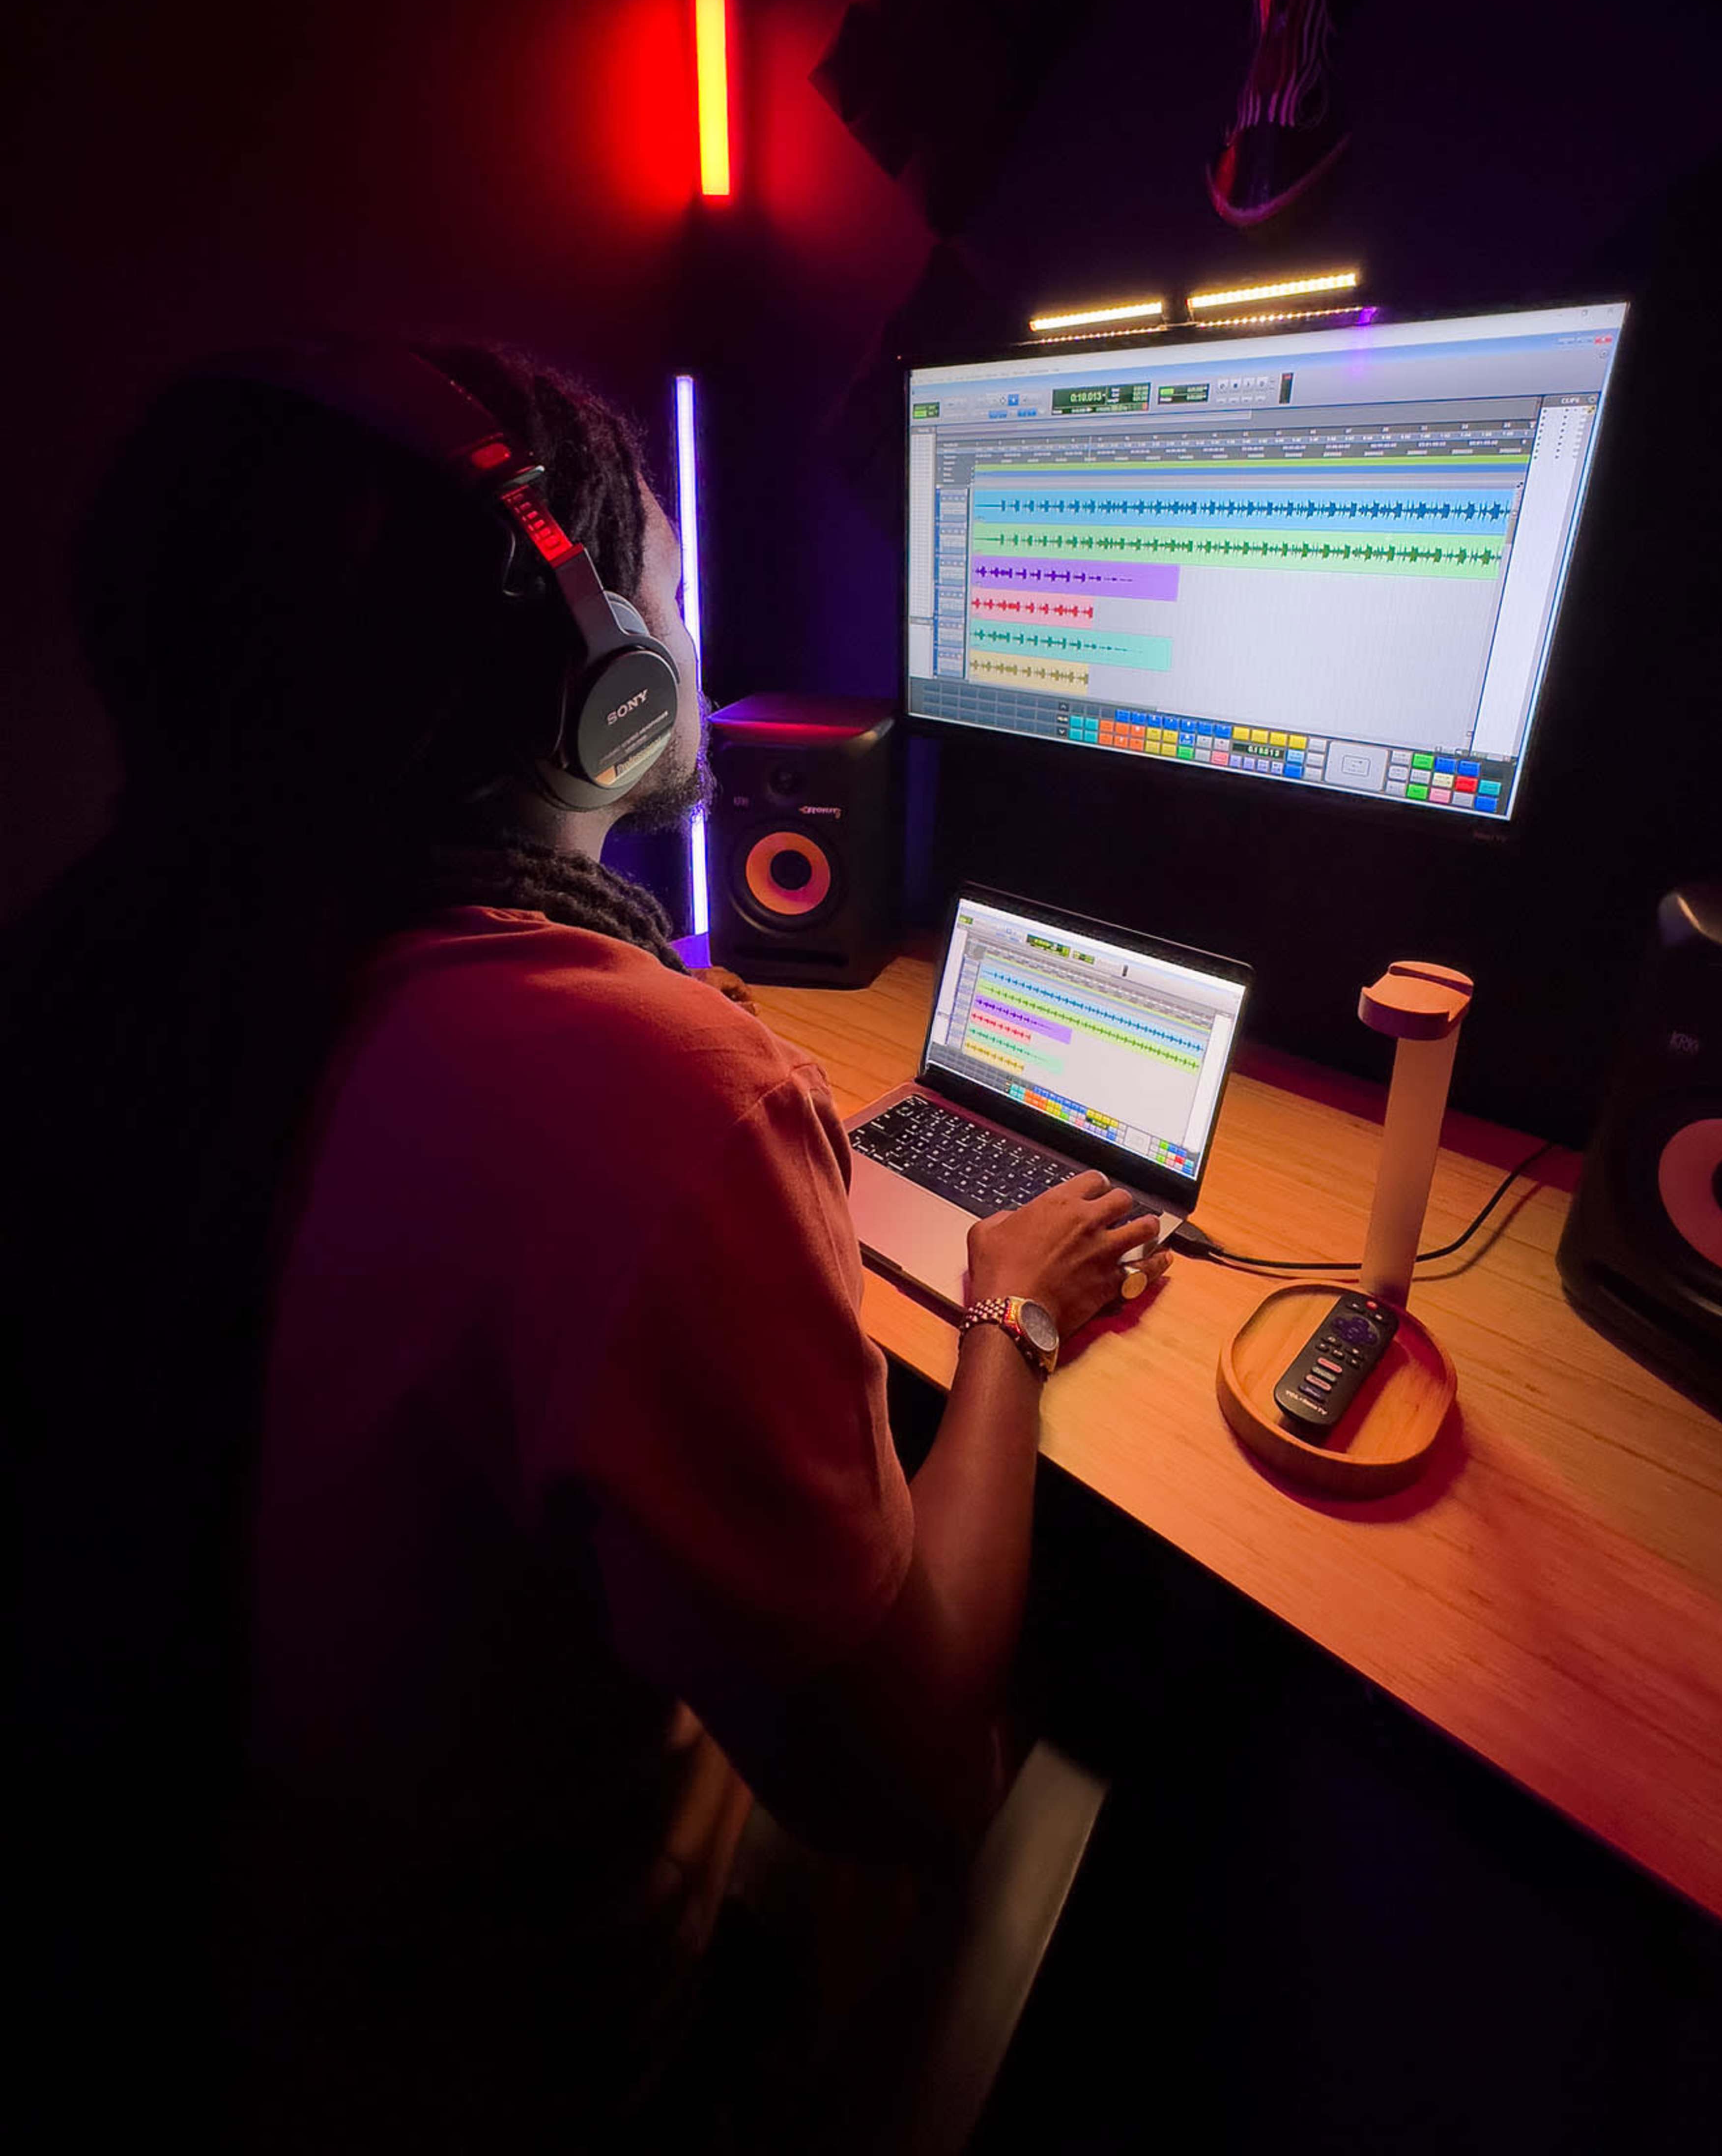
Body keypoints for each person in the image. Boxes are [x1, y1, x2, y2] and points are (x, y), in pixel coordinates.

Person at [9, 341, 1164, 2149]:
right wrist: (1005, 1312)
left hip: (179, 1977)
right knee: (1055, 1773)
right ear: (605, 694)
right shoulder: (650, 1101)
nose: (691, 639)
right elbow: (920, 1776)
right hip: (509, 2056)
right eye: (676, 594)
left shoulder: (114, 970)